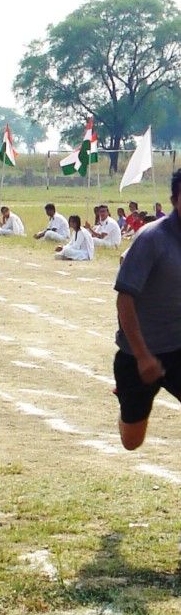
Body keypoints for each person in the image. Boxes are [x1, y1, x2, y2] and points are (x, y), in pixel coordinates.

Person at [113, 169, 181, 451]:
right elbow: (124, 299)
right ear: (176, 200)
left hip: (178, 348)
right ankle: (124, 404)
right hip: (138, 356)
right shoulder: (152, 238)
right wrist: (142, 356)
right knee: (132, 441)